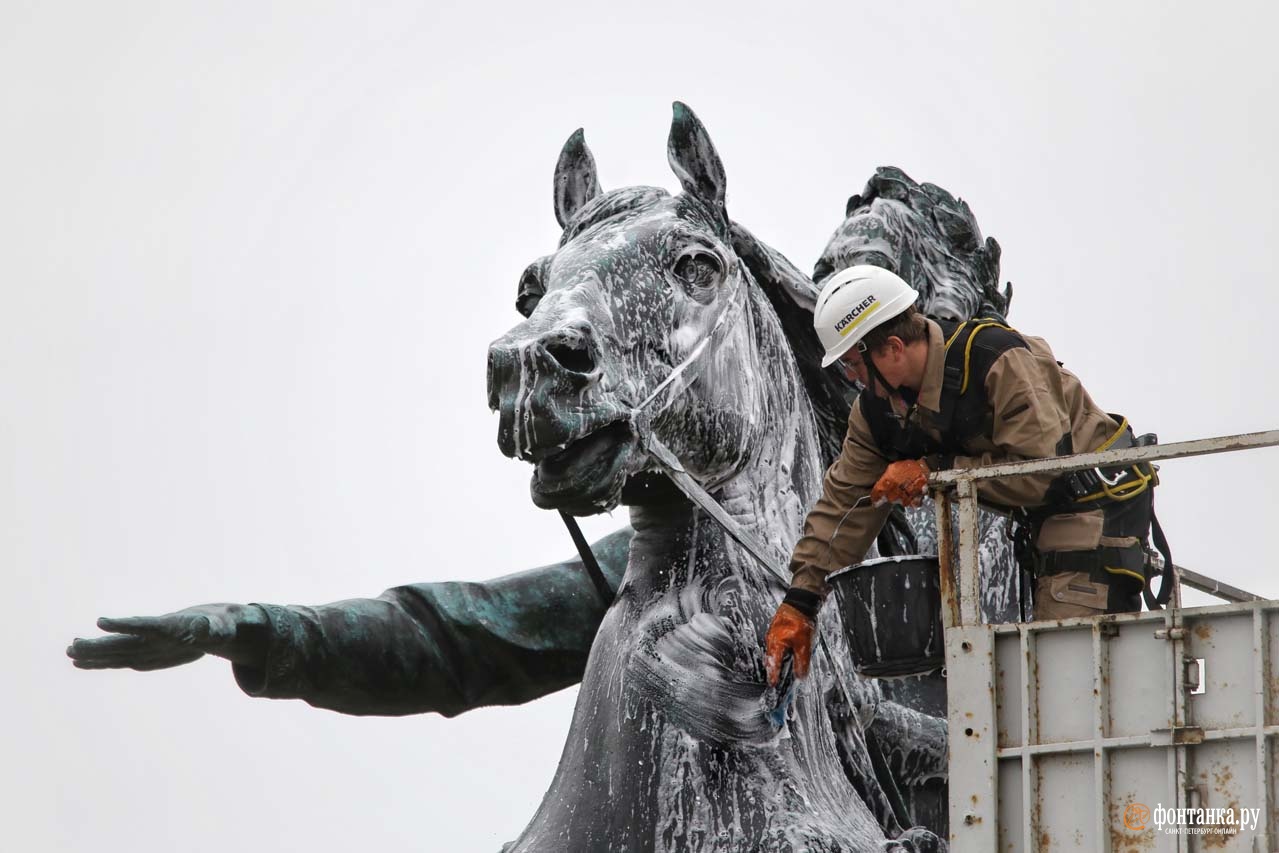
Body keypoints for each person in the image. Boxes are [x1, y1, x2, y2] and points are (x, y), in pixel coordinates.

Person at [764, 265, 1161, 686]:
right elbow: (846, 504)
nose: (853, 379)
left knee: (1065, 682)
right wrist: (800, 603)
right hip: (1045, 523)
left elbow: (1042, 472)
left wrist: (932, 473)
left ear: (892, 348)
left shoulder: (997, 360)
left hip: (1094, 511)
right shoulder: (878, 413)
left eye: (852, 365)